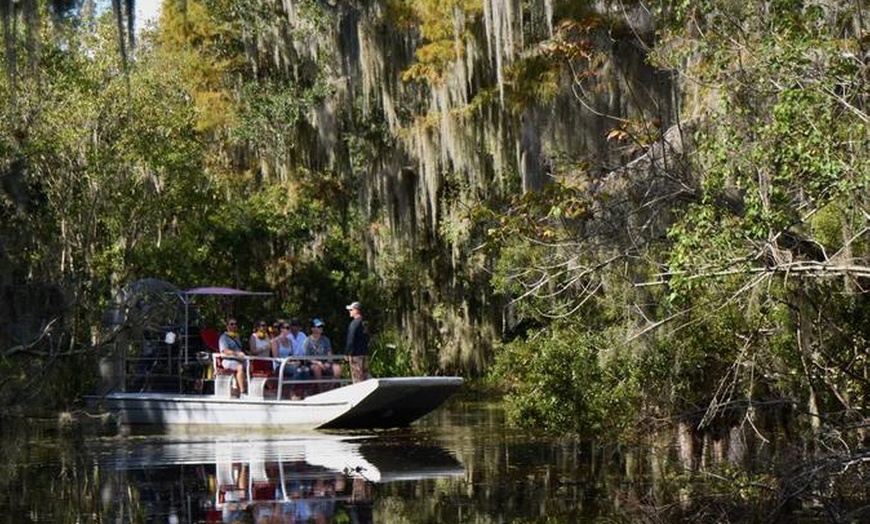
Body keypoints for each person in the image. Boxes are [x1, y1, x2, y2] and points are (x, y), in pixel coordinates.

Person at [303, 318, 343, 391]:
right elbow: (307, 357)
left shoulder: (326, 339)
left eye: (321, 327)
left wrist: (328, 362)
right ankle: (321, 389)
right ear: (312, 329)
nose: (321, 328)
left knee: (338, 368)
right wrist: (318, 363)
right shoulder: (307, 341)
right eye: (318, 327)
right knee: (316, 368)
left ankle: (330, 388)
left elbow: (329, 354)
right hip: (313, 364)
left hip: (325, 363)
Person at [219, 317, 247, 396]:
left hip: (239, 360)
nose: (234, 326)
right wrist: (236, 353)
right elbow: (225, 351)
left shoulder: (237, 337)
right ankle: (243, 392)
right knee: (240, 367)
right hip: (228, 360)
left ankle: (247, 388)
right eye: (232, 324)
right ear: (227, 326)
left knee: (250, 366)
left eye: (235, 324)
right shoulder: (223, 338)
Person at [344, 301, 370, 383]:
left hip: (356, 356)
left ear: (356, 310)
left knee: (357, 379)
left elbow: (350, 339)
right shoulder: (365, 323)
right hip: (365, 354)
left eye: (351, 310)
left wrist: (347, 353)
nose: (350, 312)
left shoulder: (354, 323)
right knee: (366, 378)